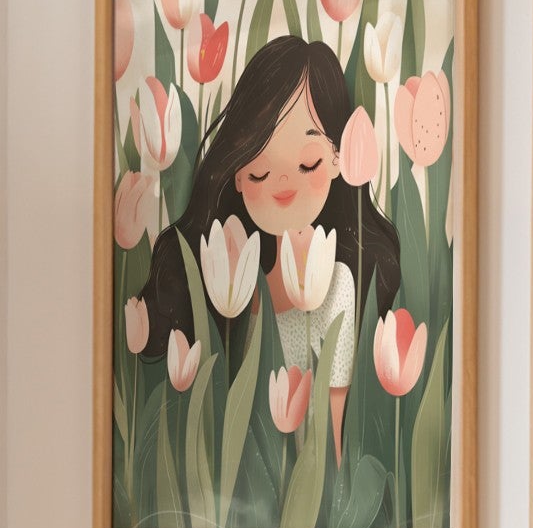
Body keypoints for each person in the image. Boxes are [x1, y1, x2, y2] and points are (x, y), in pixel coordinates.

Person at [143, 35, 399, 462]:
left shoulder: (337, 285)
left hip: (303, 472)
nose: (284, 183)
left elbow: (334, 415)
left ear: (338, 159)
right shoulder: (232, 276)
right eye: (260, 170)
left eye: (307, 163)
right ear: (238, 174)